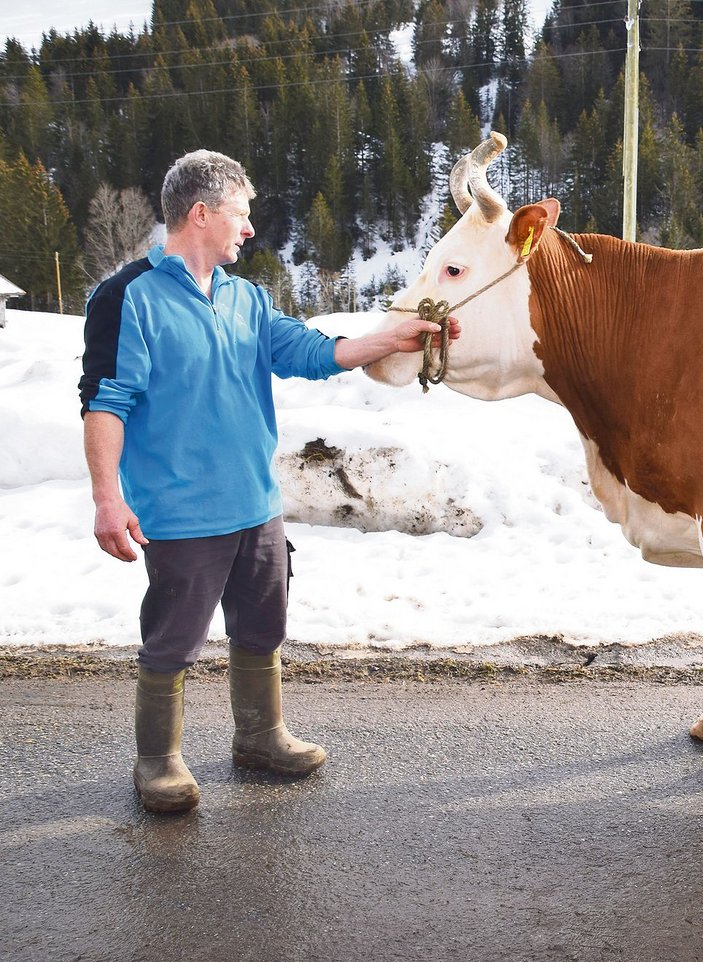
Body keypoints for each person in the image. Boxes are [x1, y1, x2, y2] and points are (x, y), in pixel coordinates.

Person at [78, 150, 455, 814]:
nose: (248, 230)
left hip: (255, 503)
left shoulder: (245, 298)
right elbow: (106, 400)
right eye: (241, 215)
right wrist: (107, 497)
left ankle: (260, 736)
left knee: (262, 625)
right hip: (181, 510)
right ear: (201, 214)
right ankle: (157, 761)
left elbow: (312, 351)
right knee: (174, 637)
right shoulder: (125, 298)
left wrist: (390, 339)